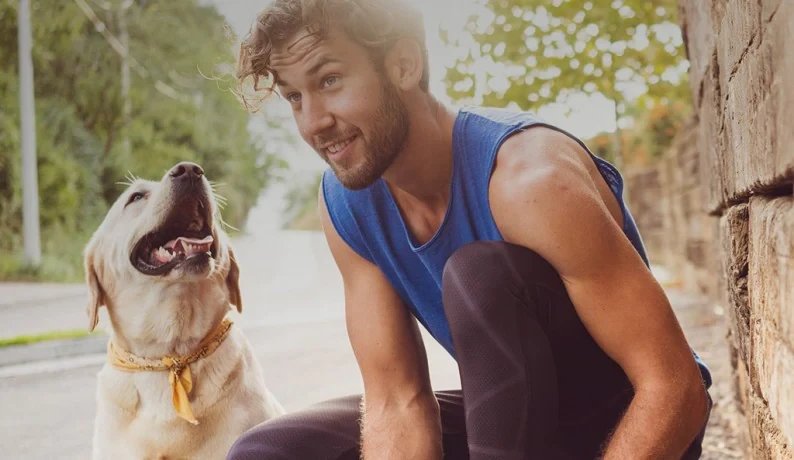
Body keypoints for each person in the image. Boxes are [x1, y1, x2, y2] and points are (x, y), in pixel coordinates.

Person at [229, 0, 713, 458]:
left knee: (479, 276)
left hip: (631, 429)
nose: (313, 122)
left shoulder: (530, 179)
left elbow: (675, 387)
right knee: (267, 452)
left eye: (330, 80)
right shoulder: (348, 203)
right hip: (507, 428)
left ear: (403, 65)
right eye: (294, 97)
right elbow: (397, 400)